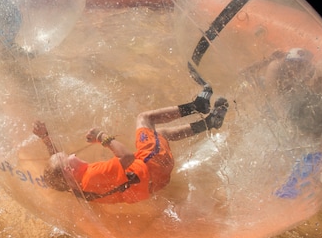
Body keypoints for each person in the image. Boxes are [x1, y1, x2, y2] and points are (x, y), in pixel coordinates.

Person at [37, 86, 229, 203]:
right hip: (153, 164)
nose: (71, 154)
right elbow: (127, 157)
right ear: (69, 169)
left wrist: (46, 139)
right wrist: (102, 137)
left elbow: (56, 169)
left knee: (159, 135)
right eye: (67, 156)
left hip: (156, 183)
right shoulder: (92, 175)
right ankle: (196, 106)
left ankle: (209, 123)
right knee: (144, 119)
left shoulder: (79, 190)